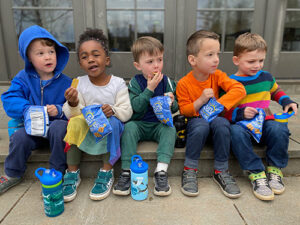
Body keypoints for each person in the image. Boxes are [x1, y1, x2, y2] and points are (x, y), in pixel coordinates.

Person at [62, 28, 132, 202]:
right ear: (80, 63)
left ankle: (106, 172)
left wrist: (114, 110)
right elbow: (71, 113)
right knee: (73, 123)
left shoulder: (117, 83)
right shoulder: (79, 83)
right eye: (84, 57)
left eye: (95, 55)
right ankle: (72, 173)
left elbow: (127, 111)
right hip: (88, 128)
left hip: (109, 130)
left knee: (115, 123)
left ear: (107, 60)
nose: (90, 59)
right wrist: (73, 103)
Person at [226, 33, 298, 201]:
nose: (257, 65)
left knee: (279, 128)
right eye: (251, 61)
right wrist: (240, 113)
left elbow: (275, 91)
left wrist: (287, 101)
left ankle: (275, 169)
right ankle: (256, 172)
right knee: (234, 132)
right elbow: (225, 109)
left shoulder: (266, 77)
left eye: (261, 61)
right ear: (236, 60)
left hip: (265, 123)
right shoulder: (229, 83)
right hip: (243, 126)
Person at [0, 25, 71, 194]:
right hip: (34, 129)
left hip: (57, 131)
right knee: (19, 136)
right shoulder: (22, 79)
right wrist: (28, 109)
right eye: (40, 53)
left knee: (59, 127)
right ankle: (13, 173)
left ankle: (57, 172)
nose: (48, 57)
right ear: (29, 58)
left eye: (51, 52)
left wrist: (59, 110)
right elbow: (10, 99)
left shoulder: (66, 82)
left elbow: (74, 106)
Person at [176, 30, 246, 198]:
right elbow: (184, 109)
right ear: (193, 60)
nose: (216, 59)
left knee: (223, 124)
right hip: (196, 124)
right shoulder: (184, 83)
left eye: (217, 54)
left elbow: (239, 89)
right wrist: (200, 101)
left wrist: (218, 105)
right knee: (200, 125)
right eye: (210, 54)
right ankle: (190, 169)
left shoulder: (217, 75)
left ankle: (221, 170)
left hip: (215, 122)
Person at [113, 36, 178, 197]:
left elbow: (177, 108)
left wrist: (172, 101)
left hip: (159, 124)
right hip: (140, 123)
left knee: (170, 129)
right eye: (150, 62)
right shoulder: (135, 83)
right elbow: (136, 108)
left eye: (160, 59)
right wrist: (149, 89)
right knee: (128, 128)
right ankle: (127, 171)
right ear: (138, 65)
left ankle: (161, 171)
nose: (156, 65)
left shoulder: (168, 82)